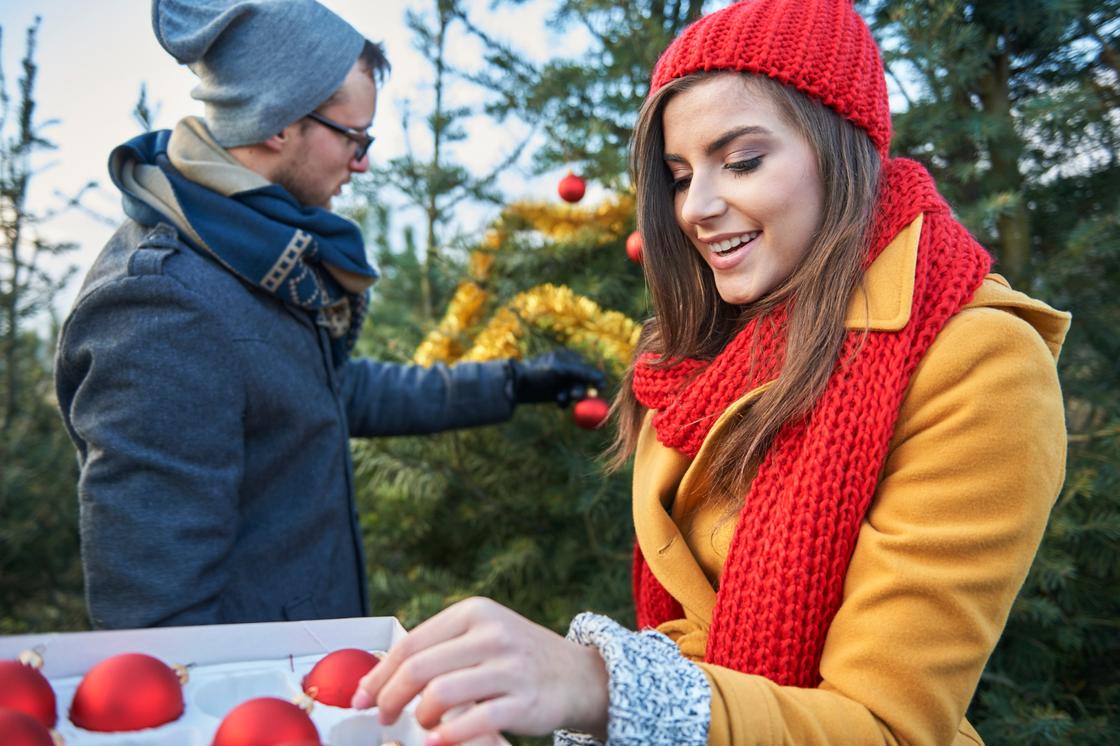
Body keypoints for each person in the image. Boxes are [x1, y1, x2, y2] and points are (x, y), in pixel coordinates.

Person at [350, 1, 1072, 744]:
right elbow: (697, 633)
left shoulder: (979, 363)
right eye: (679, 174)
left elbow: (886, 727)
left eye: (743, 161)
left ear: (840, 147)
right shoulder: (703, 349)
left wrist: (598, 687)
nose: (696, 207)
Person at [53, 0, 605, 630]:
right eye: (354, 136)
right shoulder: (163, 310)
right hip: (255, 704)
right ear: (278, 123)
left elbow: (327, 394)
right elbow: (156, 624)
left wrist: (513, 382)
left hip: (308, 668)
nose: (364, 160)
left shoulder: (251, 253)